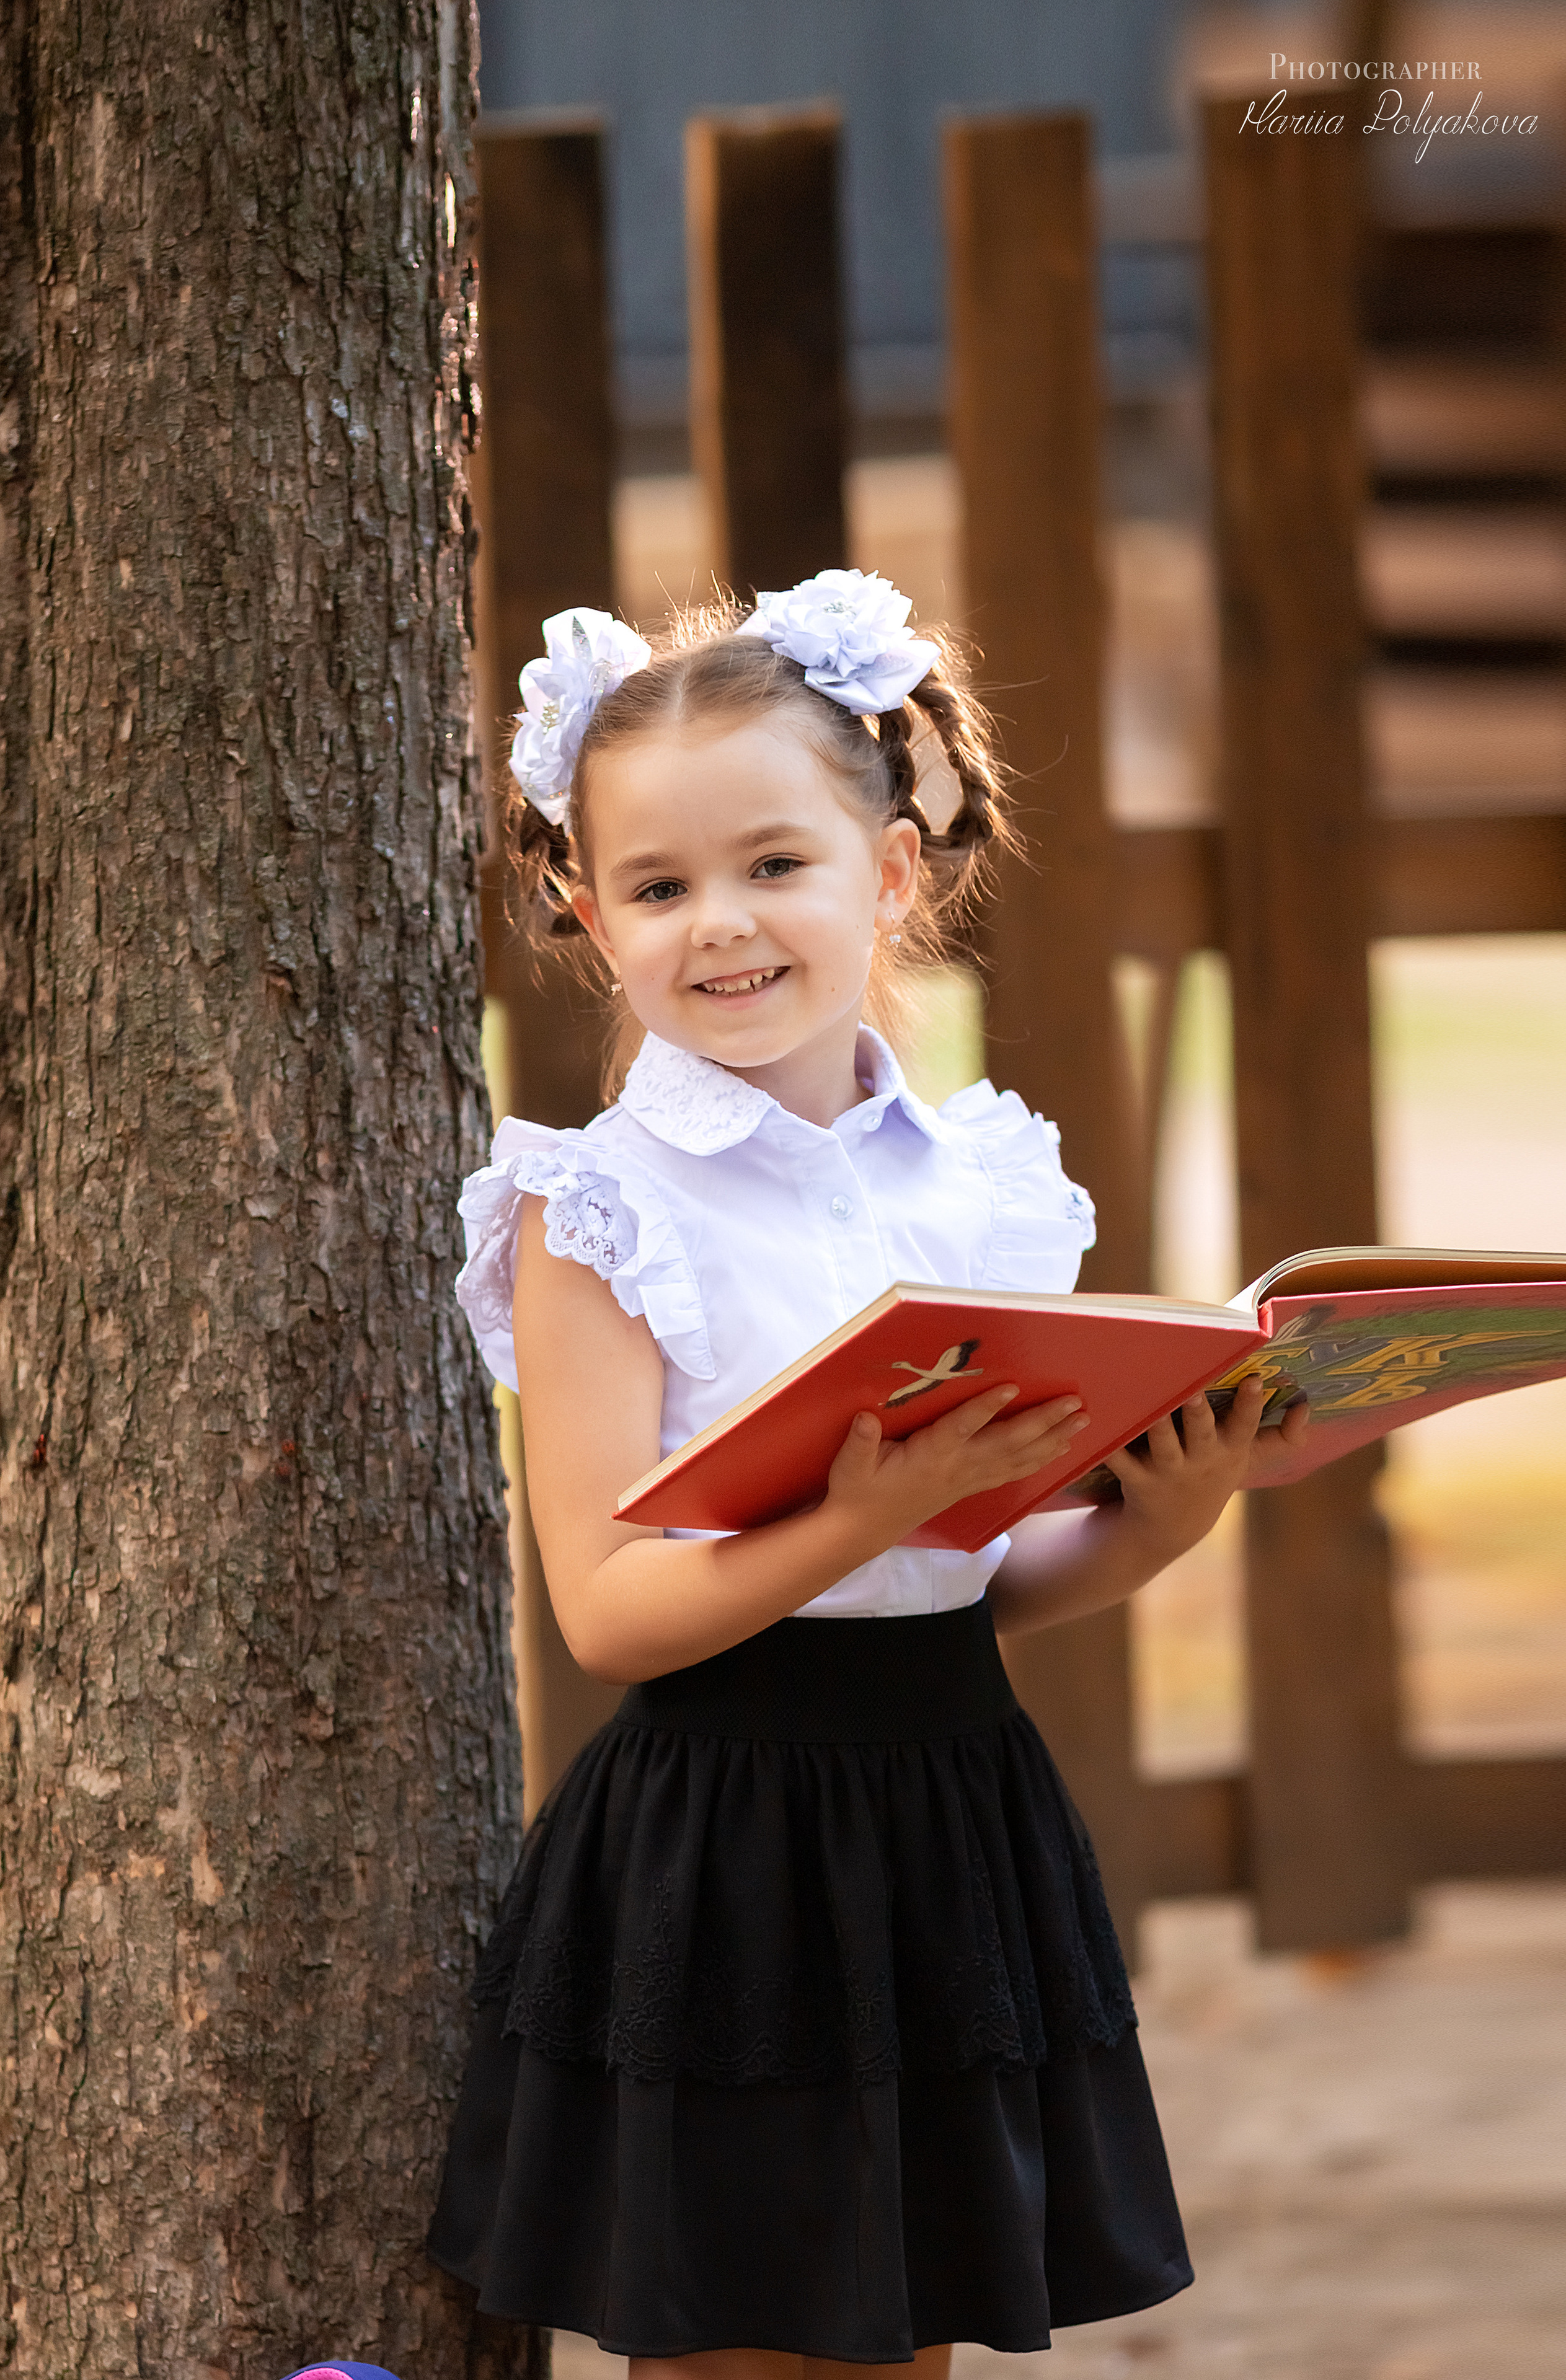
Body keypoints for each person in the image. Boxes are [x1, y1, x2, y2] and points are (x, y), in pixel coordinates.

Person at [428, 571, 1307, 2376]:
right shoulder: (597, 1210)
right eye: (660, 887)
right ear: (590, 917)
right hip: (729, 1850)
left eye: (776, 865)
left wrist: (1161, 1518)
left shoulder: (974, 1181)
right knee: (741, 2349)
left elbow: (983, 1577)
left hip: (948, 1822)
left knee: (905, 2344)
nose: (721, 926)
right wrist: (860, 1512)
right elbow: (609, 1613)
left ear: (891, 873)